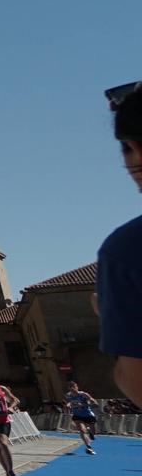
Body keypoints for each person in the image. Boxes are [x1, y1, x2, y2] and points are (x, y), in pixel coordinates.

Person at [98, 83, 142, 409]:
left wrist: (113, 319)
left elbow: (136, 381)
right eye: (126, 148)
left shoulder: (127, 252)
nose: (134, 160)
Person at [63, 380, 98, 455]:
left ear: (77, 387)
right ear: (69, 388)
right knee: (82, 430)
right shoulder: (68, 395)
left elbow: (95, 403)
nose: (72, 389)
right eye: (70, 388)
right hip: (77, 415)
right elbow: (68, 403)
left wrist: (84, 405)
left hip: (88, 415)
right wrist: (68, 406)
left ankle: (90, 431)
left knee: (93, 433)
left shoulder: (83, 394)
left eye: (74, 387)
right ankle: (88, 447)